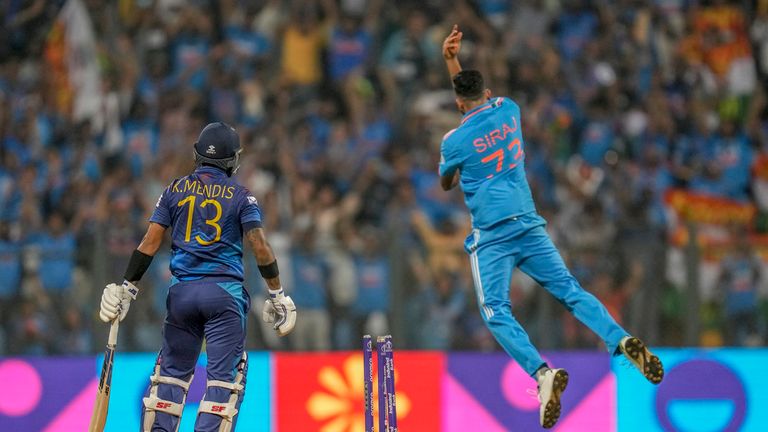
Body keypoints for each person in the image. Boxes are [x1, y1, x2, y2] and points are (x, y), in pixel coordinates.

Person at [439, 26, 663, 429]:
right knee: (570, 291)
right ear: (487, 93)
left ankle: (542, 375)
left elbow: (446, 179)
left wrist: (458, 169)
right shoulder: (509, 109)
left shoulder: (453, 142)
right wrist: (453, 61)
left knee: (495, 311)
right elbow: (472, 100)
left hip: (492, 236)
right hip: (529, 223)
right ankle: (620, 339)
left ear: (457, 102)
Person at [98, 122, 297, 432]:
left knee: (169, 381)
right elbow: (259, 245)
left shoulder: (174, 189)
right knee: (223, 385)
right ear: (233, 161)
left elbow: (149, 242)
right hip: (223, 297)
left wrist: (128, 288)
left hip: (182, 297)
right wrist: (277, 293)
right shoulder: (242, 196)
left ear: (197, 155)